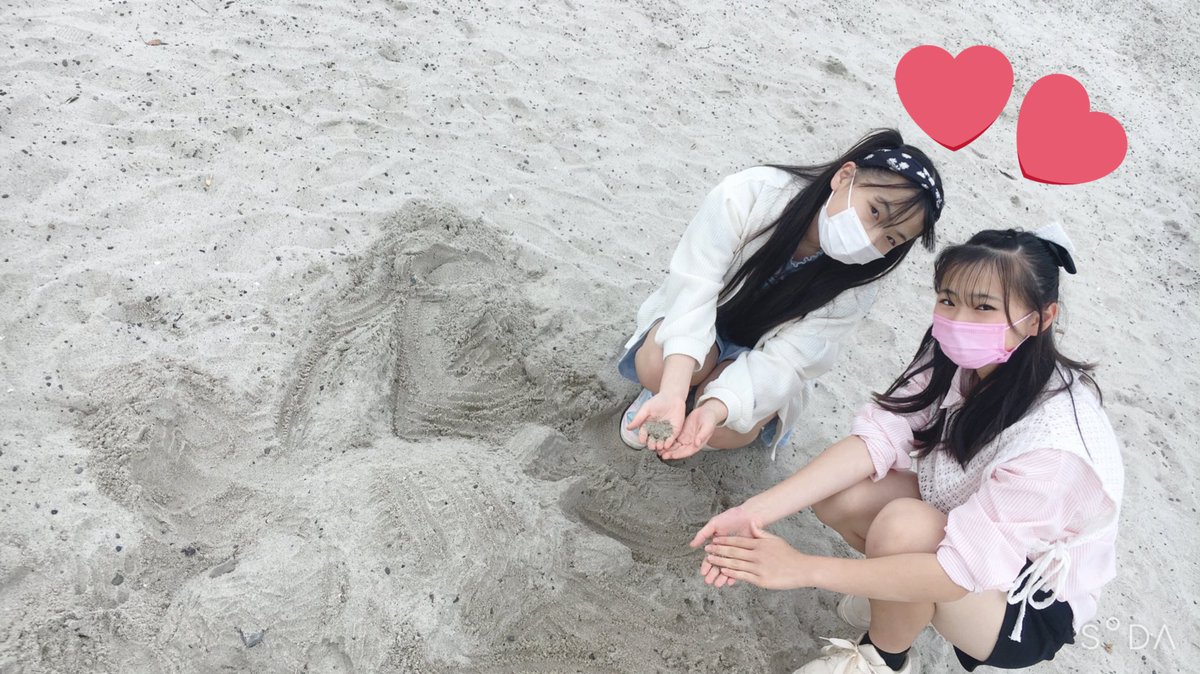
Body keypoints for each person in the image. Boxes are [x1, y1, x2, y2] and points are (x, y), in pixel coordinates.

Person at [691, 226, 1123, 673]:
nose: (958, 319)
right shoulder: (957, 355)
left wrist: (801, 568)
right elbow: (879, 436)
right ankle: (896, 601)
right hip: (965, 524)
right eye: (948, 299)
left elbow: (956, 573)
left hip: (1025, 601)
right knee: (843, 493)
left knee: (905, 529)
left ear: (1039, 319)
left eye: (984, 307)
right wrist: (755, 511)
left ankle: (884, 658)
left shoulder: (1054, 445)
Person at [618, 129, 945, 460]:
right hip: (710, 319)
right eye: (875, 211)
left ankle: (699, 403)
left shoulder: (857, 287)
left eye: (891, 239)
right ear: (844, 176)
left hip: (759, 354)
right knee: (658, 367)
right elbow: (694, 286)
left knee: (726, 428)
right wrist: (673, 391)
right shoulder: (752, 193)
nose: (870, 239)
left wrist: (714, 410)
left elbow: (788, 362)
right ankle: (667, 393)